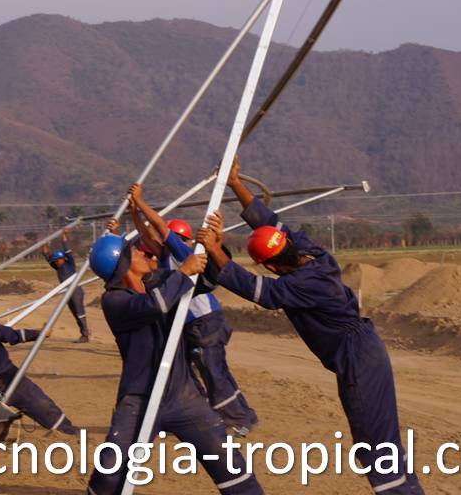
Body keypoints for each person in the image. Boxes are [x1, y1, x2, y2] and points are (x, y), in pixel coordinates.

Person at [195, 156, 423, 495]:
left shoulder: (300, 284)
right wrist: (235, 184)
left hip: (357, 358)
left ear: (271, 267)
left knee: (374, 445)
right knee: (381, 439)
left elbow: (259, 292)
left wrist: (216, 252)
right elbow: (270, 223)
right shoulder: (313, 255)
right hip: (364, 350)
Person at [85, 232, 263, 495]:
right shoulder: (114, 301)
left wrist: (213, 249)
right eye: (135, 252)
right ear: (121, 265)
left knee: (230, 466)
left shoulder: (159, 281)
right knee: (110, 474)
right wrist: (182, 273)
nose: (145, 253)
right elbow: (154, 305)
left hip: (184, 397)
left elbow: (207, 279)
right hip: (139, 401)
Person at [127, 183, 258, 435]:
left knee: (213, 372)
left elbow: (159, 227)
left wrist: (141, 202)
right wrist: (134, 213)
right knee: (209, 370)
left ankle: (237, 420)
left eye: (163, 235)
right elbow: (146, 234)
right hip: (194, 324)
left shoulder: (183, 251)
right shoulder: (166, 256)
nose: (155, 238)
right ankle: (241, 414)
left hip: (204, 322)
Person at [0, 321, 78, 434]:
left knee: (42, 405)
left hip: (12, 378)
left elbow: (17, 336)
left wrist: (39, 333)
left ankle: (67, 431)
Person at [42, 229, 90, 343]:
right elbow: (46, 254)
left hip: (76, 291)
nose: (57, 262)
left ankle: (85, 333)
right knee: (74, 313)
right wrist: (44, 243)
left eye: (59, 260)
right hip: (67, 293)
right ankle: (84, 333)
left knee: (79, 312)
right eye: (56, 261)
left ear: (63, 259)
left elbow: (66, 248)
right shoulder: (57, 267)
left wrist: (63, 235)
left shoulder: (70, 262)